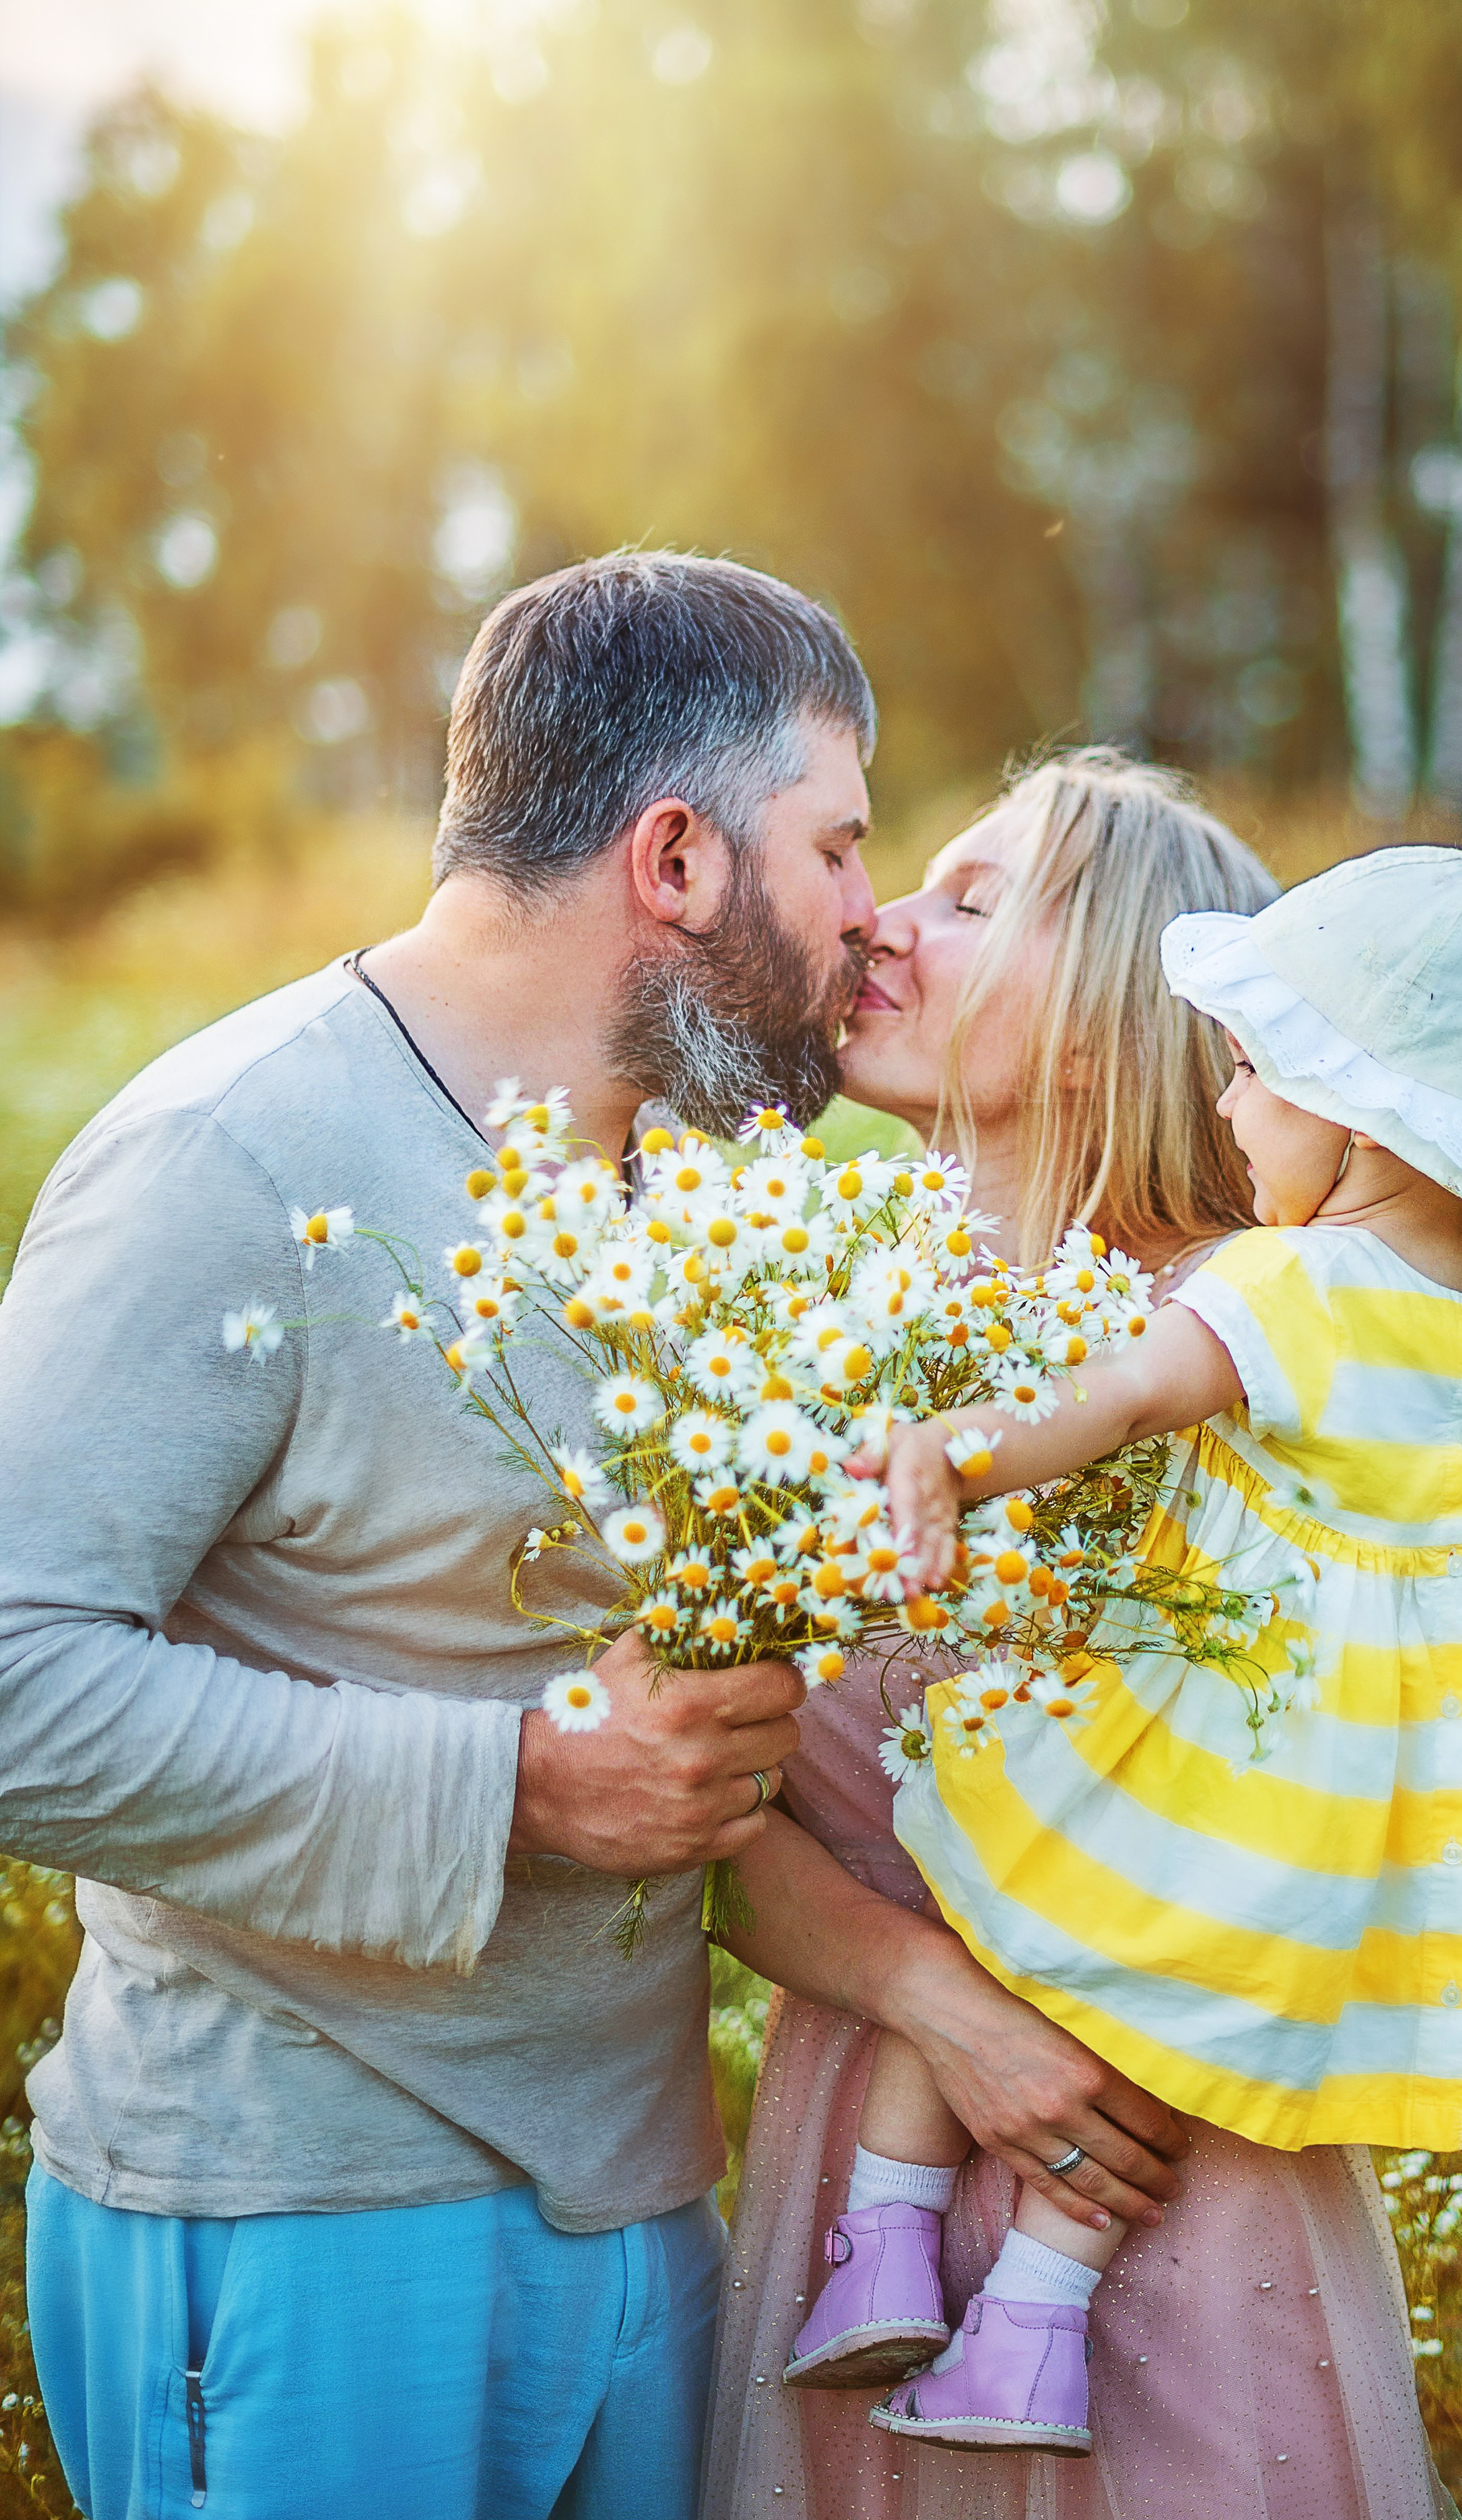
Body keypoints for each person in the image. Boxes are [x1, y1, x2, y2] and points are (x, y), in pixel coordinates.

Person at [0, 551, 878, 2520]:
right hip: (309, 2222)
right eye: (837, 846)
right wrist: (528, 1790)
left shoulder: (685, 1190)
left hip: (642, 2203)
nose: (868, 913)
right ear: (677, 860)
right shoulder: (231, 1157)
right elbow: (8, 1681)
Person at [705, 759, 1462, 2519]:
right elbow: (684, 1826)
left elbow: (1347, 1807)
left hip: (1158, 2217)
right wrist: (929, 2000)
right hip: (865, 2221)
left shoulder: (1256, 1371)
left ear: (1101, 1017)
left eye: (975, 900)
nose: (882, 918)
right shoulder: (803, 1340)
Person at [846, 842, 1462, 2455]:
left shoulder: (1290, 1287)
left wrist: (943, 1454)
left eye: (1253, 1076)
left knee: (997, 1877)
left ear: (1353, 1111)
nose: (1231, 1111)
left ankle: (888, 2236)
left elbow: (1114, 1402)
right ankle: (1029, 2333)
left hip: (1208, 1724)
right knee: (1186, 2008)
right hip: (1338, 1791)